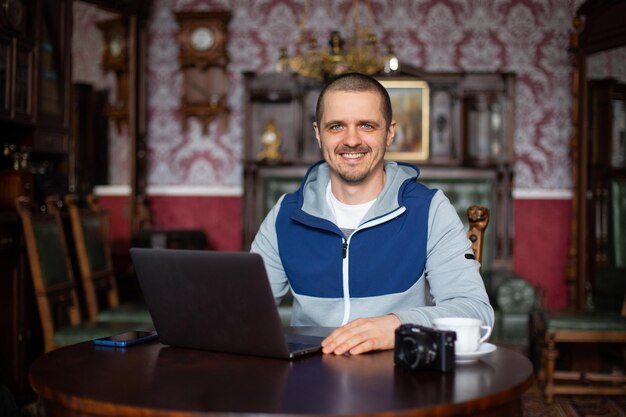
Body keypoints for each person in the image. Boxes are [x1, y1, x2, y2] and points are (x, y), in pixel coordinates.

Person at [251, 72, 494, 356]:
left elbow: (475, 314)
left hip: (401, 375)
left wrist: (396, 326)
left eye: (366, 125)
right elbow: (244, 308)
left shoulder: (429, 209)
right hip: (309, 380)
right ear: (319, 134)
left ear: (389, 132)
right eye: (336, 126)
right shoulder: (286, 213)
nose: (351, 140)